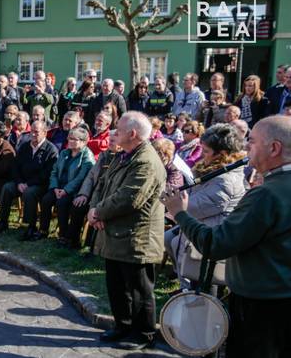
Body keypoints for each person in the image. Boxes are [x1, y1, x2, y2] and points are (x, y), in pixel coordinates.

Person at [162, 115, 291, 358]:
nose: (245, 148)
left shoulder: (267, 195)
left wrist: (179, 212)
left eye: (251, 142)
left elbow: (216, 244)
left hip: (261, 304)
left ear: (274, 148)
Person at [88, 112, 166, 350]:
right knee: (117, 285)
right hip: (116, 233)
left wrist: (99, 212)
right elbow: (104, 184)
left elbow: (129, 198)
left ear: (133, 134)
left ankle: (143, 333)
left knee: (139, 290)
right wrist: (95, 210)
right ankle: (123, 325)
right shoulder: (124, 156)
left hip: (137, 237)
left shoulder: (146, 161)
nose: (114, 133)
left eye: (119, 129)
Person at [164, 123, 246, 289]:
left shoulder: (226, 180)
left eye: (206, 151)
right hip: (198, 226)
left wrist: (173, 202)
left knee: (188, 257)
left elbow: (193, 208)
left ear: (222, 154)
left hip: (210, 234)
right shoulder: (211, 169)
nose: (202, 155)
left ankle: (197, 294)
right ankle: (184, 286)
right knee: (169, 240)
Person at [0, 121, 58, 234]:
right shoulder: (25, 147)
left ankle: (30, 226)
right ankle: (2, 221)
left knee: (29, 193)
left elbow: (46, 174)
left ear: (45, 133)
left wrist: (27, 184)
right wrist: (19, 182)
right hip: (22, 182)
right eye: (31, 131)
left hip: (40, 185)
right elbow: (15, 167)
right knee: (7, 188)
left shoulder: (51, 150)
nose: (33, 134)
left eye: (36, 132)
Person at [35, 127, 95, 245]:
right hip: (59, 187)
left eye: (74, 139)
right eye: (69, 138)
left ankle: (63, 235)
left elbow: (80, 178)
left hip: (73, 190)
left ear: (83, 142)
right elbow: (54, 172)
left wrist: (66, 190)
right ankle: (43, 230)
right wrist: (55, 187)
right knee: (46, 200)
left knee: (61, 203)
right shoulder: (64, 153)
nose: (70, 141)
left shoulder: (87, 156)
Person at [72, 130, 121, 249]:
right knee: (78, 206)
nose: (109, 143)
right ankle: (72, 241)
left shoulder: (121, 158)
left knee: (97, 213)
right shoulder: (104, 156)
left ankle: (91, 247)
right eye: (109, 140)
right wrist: (83, 194)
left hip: (108, 196)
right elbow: (90, 176)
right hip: (95, 192)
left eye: (113, 141)